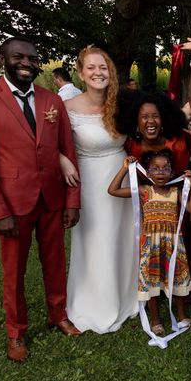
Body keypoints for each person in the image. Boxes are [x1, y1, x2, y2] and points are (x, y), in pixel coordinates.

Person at [0, 36, 81, 362]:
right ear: (3, 58)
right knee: (13, 271)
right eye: (19, 57)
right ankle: (16, 332)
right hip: (12, 202)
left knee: (55, 262)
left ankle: (58, 314)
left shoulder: (52, 100)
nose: (27, 63)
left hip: (52, 197)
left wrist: (72, 200)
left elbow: (68, 151)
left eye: (33, 59)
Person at [63, 47, 137, 334]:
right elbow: (48, 143)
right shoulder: (67, 108)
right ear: (81, 74)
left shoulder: (121, 104)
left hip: (121, 176)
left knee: (124, 238)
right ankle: (95, 303)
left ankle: (128, 296)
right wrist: (62, 161)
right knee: (96, 240)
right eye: (91, 68)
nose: (98, 73)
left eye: (103, 67)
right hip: (90, 182)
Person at [108, 149, 191, 335]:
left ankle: (182, 315)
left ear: (172, 173)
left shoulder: (176, 191)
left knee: (177, 280)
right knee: (151, 282)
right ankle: (156, 319)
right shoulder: (143, 191)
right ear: (147, 173)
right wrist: (125, 169)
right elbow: (113, 190)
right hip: (151, 246)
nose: (161, 172)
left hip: (173, 246)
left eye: (166, 169)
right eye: (155, 169)